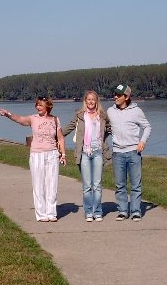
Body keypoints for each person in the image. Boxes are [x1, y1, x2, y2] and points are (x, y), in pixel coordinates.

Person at [0, 97, 66, 222]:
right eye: (37, 105)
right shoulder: (33, 119)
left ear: (48, 106)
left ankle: (51, 213)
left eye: (40, 105)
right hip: (37, 154)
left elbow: (60, 138)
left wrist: (63, 154)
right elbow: (19, 119)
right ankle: (41, 214)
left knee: (52, 184)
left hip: (52, 154)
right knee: (38, 184)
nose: (38, 107)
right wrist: (8, 114)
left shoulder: (55, 120)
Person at [62, 90, 111, 222]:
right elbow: (68, 128)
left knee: (97, 184)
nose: (90, 102)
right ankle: (89, 212)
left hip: (98, 152)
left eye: (93, 100)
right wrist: (57, 135)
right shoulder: (79, 116)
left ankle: (98, 211)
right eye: (88, 99)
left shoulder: (102, 116)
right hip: (84, 153)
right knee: (87, 185)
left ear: (96, 102)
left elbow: (110, 129)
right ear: (85, 101)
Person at [106, 84, 152, 221]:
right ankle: (123, 211)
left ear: (126, 97)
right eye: (115, 94)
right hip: (117, 153)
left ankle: (136, 211)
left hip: (133, 152)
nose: (115, 97)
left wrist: (142, 142)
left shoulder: (136, 111)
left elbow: (147, 127)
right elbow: (105, 128)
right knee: (120, 184)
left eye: (119, 95)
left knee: (135, 184)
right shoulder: (110, 111)